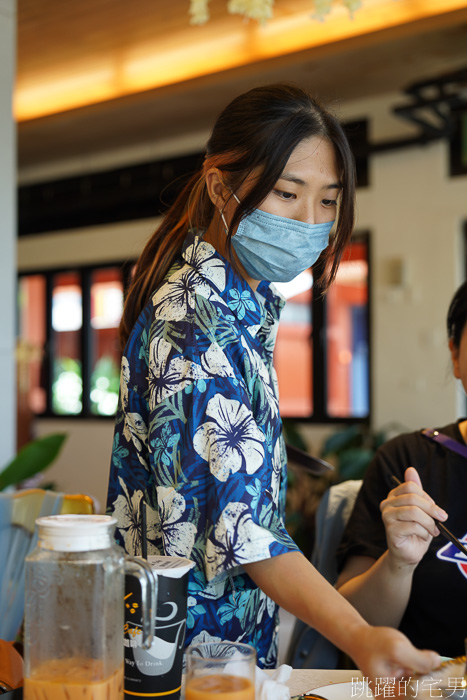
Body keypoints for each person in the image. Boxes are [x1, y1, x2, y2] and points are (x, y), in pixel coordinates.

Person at [106, 83, 440, 680]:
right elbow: (246, 535)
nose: (311, 223)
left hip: (223, 656)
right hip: (180, 666)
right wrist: (361, 639)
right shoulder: (193, 327)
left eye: (328, 201)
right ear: (219, 186)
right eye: (288, 194)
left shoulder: (244, 304)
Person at [336, 280, 467, 659]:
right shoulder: (408, 461)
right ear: (456, 356)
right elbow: (352, 623)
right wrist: (398, 563)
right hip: (421, 685)